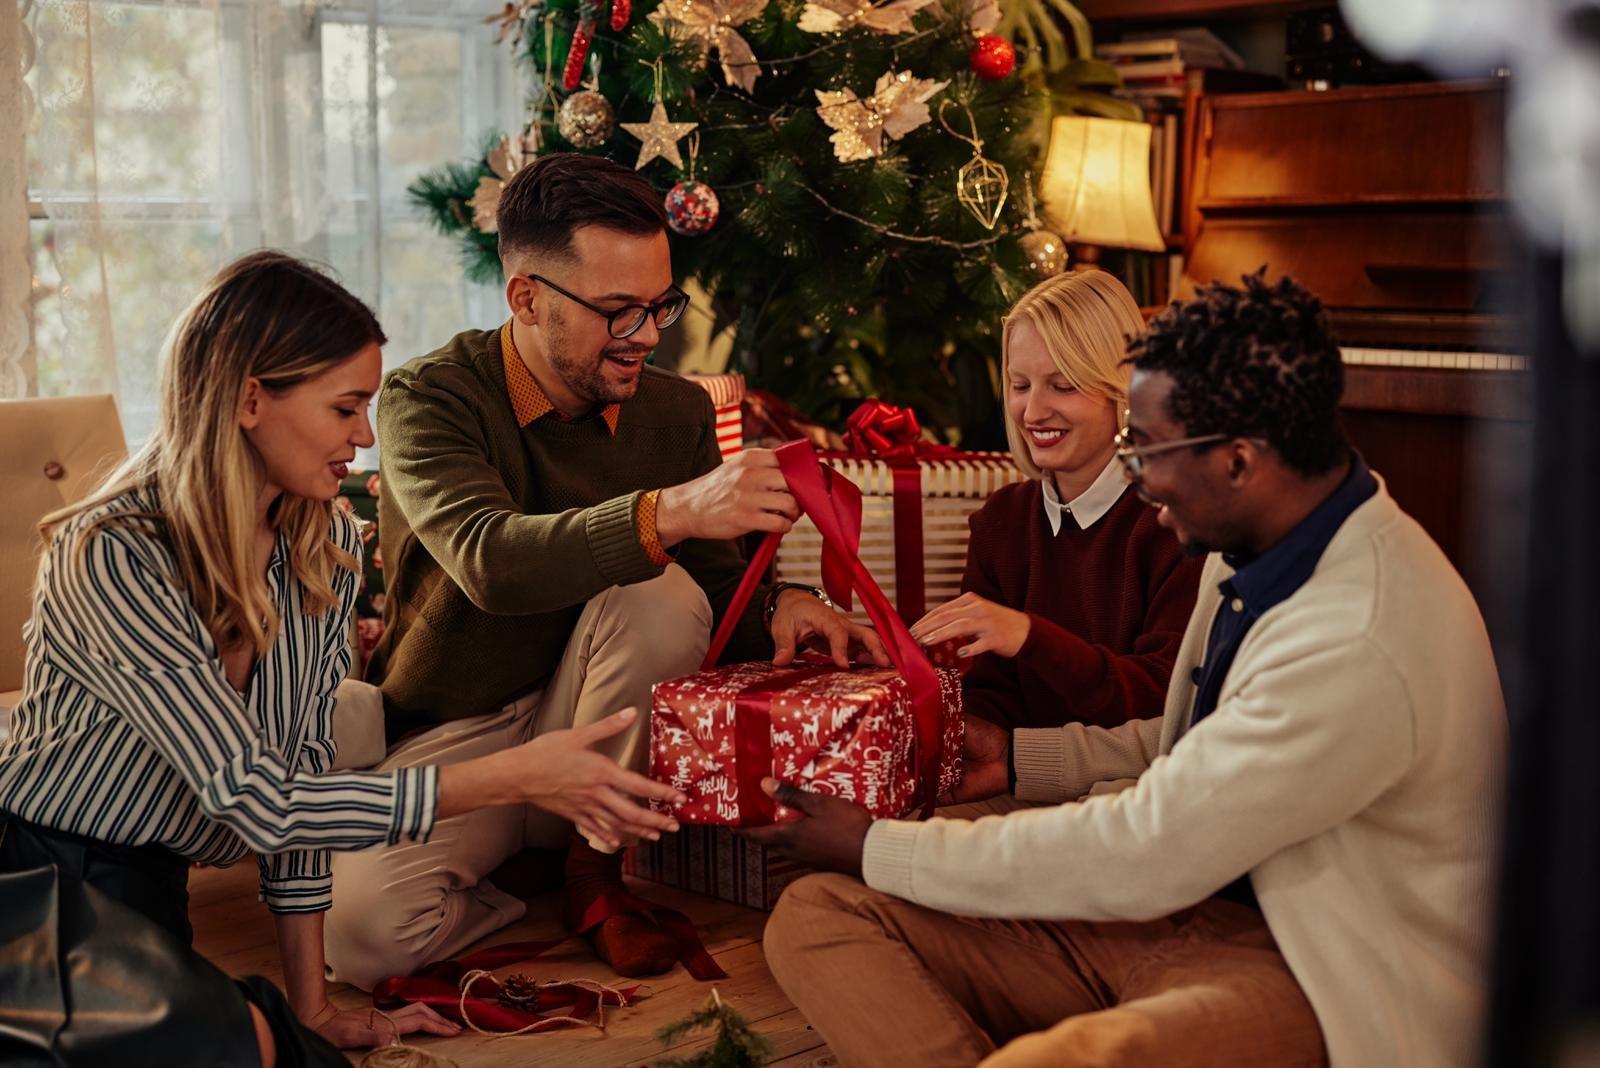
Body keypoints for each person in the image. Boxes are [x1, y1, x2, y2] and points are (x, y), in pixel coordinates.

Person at [748, 271, 1507, 1068]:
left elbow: (1148, 848)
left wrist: (878, 845)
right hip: (1179, 913)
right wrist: (1012, 761)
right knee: (817, 916)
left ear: (1238, 460)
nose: (1135, 481)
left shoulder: (1354, 635)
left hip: (1325, 973)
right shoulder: (1259, 544)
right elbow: (1183, 753)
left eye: (1144, 452)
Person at [0, 251, 687, 1064]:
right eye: (345, 407)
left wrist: (313, 1006)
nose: (366, 436)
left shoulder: (320, 543)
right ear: (252, 399)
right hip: (37, 879)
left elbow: (302, 780)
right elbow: (254, 803)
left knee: (287, 1047)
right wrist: (516, 775)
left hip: (146, 883)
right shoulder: (115, 554)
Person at [323, 152, 884, 990]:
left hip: (608, 728)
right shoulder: (428, 398)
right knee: (362, 940)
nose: (649, 337)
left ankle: (593, 875)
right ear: (528, 299)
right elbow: (492, 560)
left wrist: (788, 600)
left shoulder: (677, 409)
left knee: (658, 591)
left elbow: (714, 583)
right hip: (460, 735)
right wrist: (680, 510)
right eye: (619, 312)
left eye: (660, 306)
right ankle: (528, 877)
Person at [909, 270, 1201, 746]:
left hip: (1131, 793)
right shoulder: (1000, 523)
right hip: (1015, 782)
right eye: (1020, 385)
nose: (1032, 412)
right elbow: (990, 696)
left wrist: (1028, 635)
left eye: (1063, 386)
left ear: (1123, 390)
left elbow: (1165, 702)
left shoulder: (1177, 520)